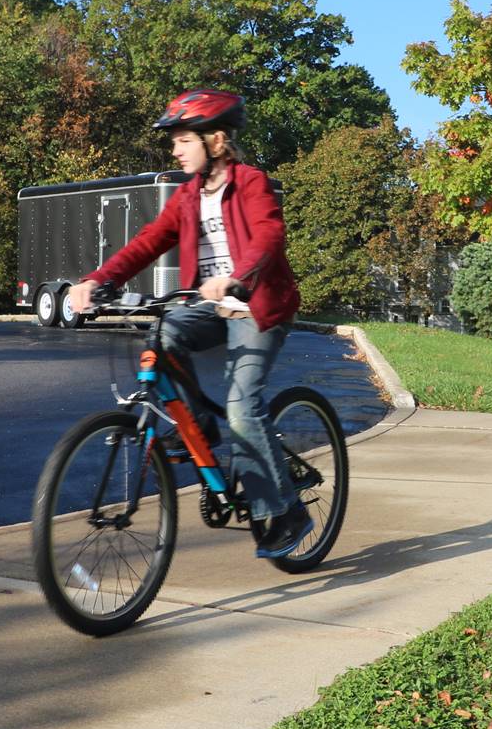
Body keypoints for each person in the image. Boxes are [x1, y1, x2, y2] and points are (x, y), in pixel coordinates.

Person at [66, 89, 312, 558]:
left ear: (215, 140)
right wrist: (97, 280)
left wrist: (238, 277)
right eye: (173, 142)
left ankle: (284, 510)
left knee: (243, 408)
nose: (175, 150)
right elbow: (147, 241)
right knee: (165, 333)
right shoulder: (186, 196)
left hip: (256, 306)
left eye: (183, 140)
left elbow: (268, 236)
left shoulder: (251, 183)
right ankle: (197, 430)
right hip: (210, 306)